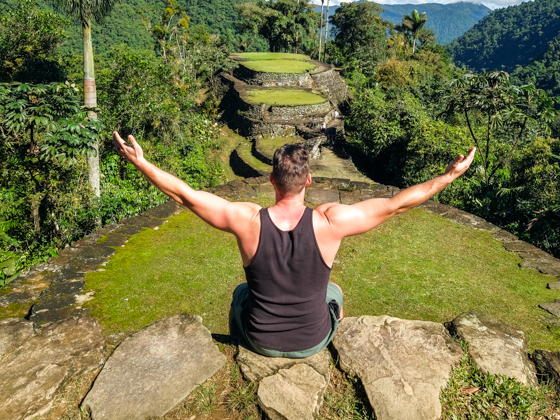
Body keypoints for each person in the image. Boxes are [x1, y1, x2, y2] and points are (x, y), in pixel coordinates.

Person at [112, 131, 476, 358]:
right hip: (313, 341)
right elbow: (396, 204)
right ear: (309, 181)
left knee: (241, 293)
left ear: (272, 179)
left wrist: (143, 163)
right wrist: (447, 176)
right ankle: (333, 345)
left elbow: (187, 197)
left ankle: (238, 344)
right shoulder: (331, 221)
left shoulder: (248, 220)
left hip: (259, 341)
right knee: (334, 291)